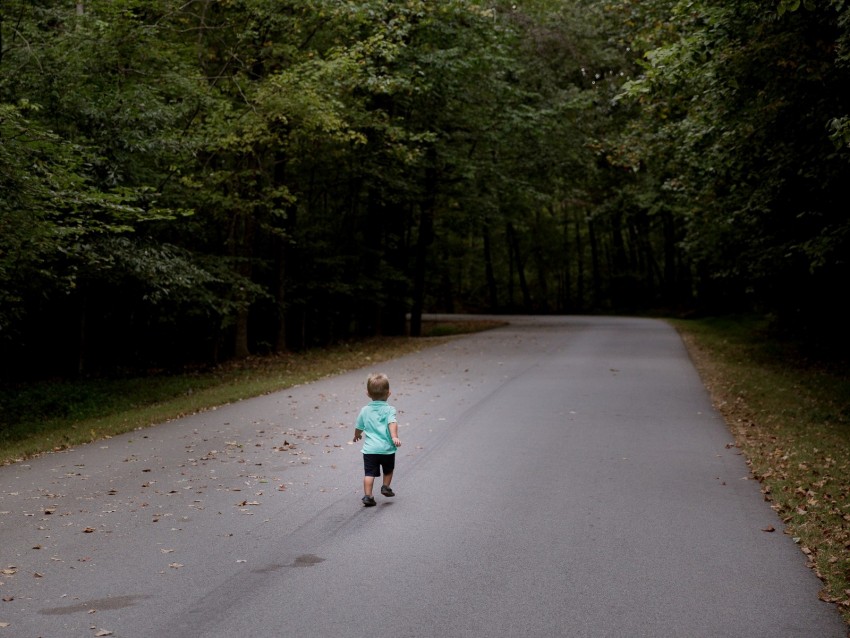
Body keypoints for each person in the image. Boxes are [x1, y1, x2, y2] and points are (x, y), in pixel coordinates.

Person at [353, 373, 402, 507]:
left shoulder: (365, 410)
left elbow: (359, 426)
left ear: (368, 393)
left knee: (369, 473)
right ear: (389, 393)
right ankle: (385, 486)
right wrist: (394, 437)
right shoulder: (390, 409)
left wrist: (357, 435)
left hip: (370, 450)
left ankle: (368, 496)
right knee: (388, 470)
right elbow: (392, 423)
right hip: (386, 449)